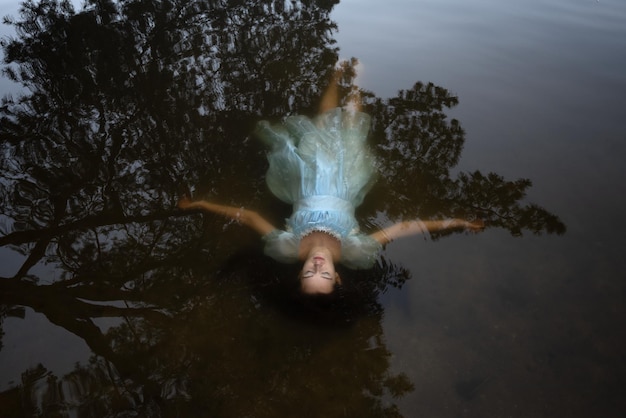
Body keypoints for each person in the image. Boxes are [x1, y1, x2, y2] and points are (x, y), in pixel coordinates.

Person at [178, 68, 483, 294]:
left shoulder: (285, 248)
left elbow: (248, 216)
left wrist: (202, 204)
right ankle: (359, 80)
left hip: (306, 179)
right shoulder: (355, 251)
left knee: (323, 122)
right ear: (338, 277)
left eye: (311, 272)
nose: (319, 266)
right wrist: (456, 222)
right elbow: (404, 228)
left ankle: (336, 75)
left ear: (300, 275)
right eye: (325, 275)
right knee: (350, 128)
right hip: (343, 181)